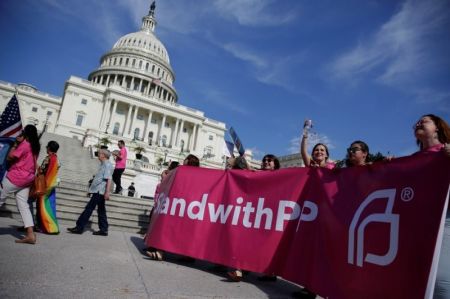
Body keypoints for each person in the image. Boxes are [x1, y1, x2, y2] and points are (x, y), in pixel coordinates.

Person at [413, 114, 450, 299]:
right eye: (418, 121)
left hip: (445, 224)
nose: (419, 122)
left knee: (441, 282)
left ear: (437, 127)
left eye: (425, 120)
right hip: (418, 226)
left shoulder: (447, 153)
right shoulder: (412, 161)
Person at [228, 154, 280, 282]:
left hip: (270, 215)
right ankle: (239, 269)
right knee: (246, 241)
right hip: (255, 214)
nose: (266, 162)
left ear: (276, 164)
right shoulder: (256, 174)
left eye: (269, 160)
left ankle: (269, 272)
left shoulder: (281, 176)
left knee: (267, 246)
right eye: (264, 160)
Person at [0, 125, 40, 244]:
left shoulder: (26, 144)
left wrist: (15, 145)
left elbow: (11, 157)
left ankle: (30, 235)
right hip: (27, 179)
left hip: (16, 176)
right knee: (23, 206)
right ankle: (30, 234)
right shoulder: (36, 146)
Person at [67, 149, 113, 236]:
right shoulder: (103, 164)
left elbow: (109, 179)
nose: (98, 155)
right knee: (101, 210)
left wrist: (107, 192)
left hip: (99, 191)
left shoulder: (107, 164)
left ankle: (79, 227)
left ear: (103, 155)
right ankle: (103, 229)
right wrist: (90, 190)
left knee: (89, 209)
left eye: (99, 153)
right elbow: (98, 179)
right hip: (98, 191)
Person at [36, 140, 60, 234]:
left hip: (45, 184)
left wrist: (36, 165)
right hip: (51, 185)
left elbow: (41, 171)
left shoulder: (49, 158)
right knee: (49, 205)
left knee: (42, 205)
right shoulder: (56, 159)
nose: (46, 148)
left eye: (47, 147)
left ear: (49, 148)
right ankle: (50, 226)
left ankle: (42, 226)